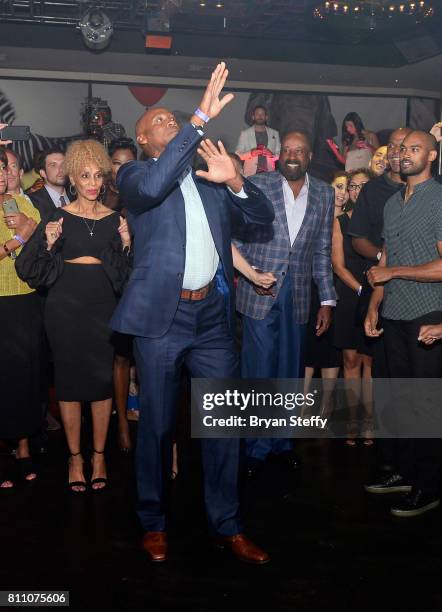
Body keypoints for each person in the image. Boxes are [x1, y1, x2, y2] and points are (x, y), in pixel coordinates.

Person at [110, 63, 274, 564]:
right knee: (157, 426)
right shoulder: (135, 175)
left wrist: (238, 179)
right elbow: (157, 184)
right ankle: (154, 521)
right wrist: (200, 115)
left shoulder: (209, 179)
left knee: (225, 424)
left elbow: (261, 220)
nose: (171, 124)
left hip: (212, 320)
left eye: (173, 119)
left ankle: (227, 524)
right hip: (162, 320)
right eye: (160, 122)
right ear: (143, 137)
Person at [16, 140, 132, 493]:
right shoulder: (57, 217)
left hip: (102, 308)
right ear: (72, 178)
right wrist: (48, 243)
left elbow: (126, 280)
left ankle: (98, 456)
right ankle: (75, 457)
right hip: (64, 308)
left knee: (100, 383)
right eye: (85, 176)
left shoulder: (117, 220)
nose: (92, 182)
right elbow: (30, 270)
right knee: (67, 385)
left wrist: (127, 246)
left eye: (98, 175)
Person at [235, 131, 336, 473]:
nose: (292, 155)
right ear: (280, 154)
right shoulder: (257, 184)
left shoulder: (324, 192)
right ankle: (254, 446)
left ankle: (281, 441)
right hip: (259, 288)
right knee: (259, 370)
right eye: (287, 150)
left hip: (299, 293)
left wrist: (327, 299)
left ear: (310, 156)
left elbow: (322, 250)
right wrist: (251, 275)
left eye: (300, 151)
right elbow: (238, 237)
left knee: (290, 371)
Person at [364, 130, 442, 517]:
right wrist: (374, 305)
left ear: (431, 156)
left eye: (415, 149)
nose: (404, 154)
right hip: (394, 313)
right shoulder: (394, 202)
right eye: (402, 148)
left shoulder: (439, 200)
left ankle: (429, 486)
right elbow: (385, 259)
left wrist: (393, 271)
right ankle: (406, 473)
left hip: (429, 313)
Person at [0, 146, 42, 488]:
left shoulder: (22, 204)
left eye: (6, 168)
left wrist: (28, 230)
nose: (3, 174)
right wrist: (18, 238)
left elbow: (42, 248)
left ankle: (24, 445)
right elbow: (21, 241)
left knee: (23, 376)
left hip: (24, 300)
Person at [332, 173, 373, 446]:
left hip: (375, 296)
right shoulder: (340, 222)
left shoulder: (379, 220)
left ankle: (369, 423)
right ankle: (351, 422)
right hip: (349, 295)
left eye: (362, 185)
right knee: (349, 362)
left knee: (369, 363)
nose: (356, 190)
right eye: (352, 186)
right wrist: (360, 290)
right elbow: (338, 264)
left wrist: (371, 293)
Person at [304, 172, 347, 418]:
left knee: (333, 347)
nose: (340, 191)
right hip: (312, 287)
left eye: (345, 187)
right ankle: (303, 404)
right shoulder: (316, 216)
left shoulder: (353, 220)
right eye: (336, 186)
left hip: (340, 289)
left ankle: (327, 407)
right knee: (310, 344)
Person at [104, 137, 138, 452]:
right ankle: (122, 426)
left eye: (128, 162)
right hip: (112, 290)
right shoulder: (102, 200)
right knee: (121, 358)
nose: (122, 167)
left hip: (141, 288)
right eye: (116, 162)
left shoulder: (144, 197)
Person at [27, 147, 72, 222]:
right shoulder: (32, 202)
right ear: (43, 173)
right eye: (53, 165)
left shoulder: (77, 197)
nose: (61, 169)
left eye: (63, 164)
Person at [235, 105, 280, 177]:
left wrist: (272, 155)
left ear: (266, 117)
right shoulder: (245, 134)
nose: (260, 116)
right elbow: (238, 154)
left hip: (269, 174)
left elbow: (280, 154)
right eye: (257, 114)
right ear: (253, 117)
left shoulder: (274, 133)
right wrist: (250, 153)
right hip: (251, 175)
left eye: (262, 114)